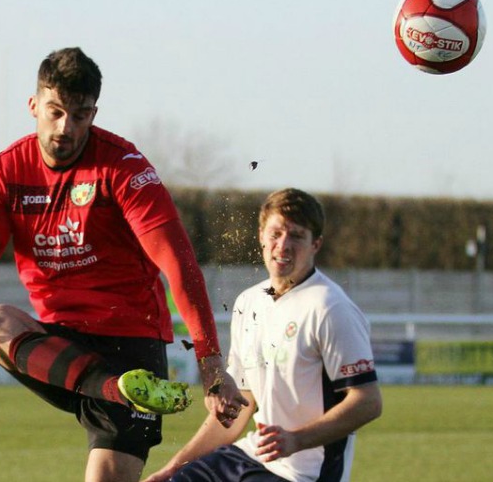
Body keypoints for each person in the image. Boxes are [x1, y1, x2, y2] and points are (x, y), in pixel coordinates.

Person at [0, 47, 245, 482]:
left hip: (130, 344)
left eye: (81, 115)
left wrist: (211, 363)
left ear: (94, 112)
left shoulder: (124, 168)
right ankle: (115, 392)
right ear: (34, 106)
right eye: (56, 112)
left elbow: (177, 264)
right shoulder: (6, 173)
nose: (67, 127)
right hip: (61, 351)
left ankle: (126, 390)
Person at [146, 188, 382, 482]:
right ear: (261, 235)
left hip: (303, 474)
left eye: (296, 236)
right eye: (276, 233)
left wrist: (296, 440)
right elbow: (241, 403)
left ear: (315, 244)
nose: (283, 245)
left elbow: (368, 402)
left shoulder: (330, 308)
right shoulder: (249, 302)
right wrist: (174, 468)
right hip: (250, 455)